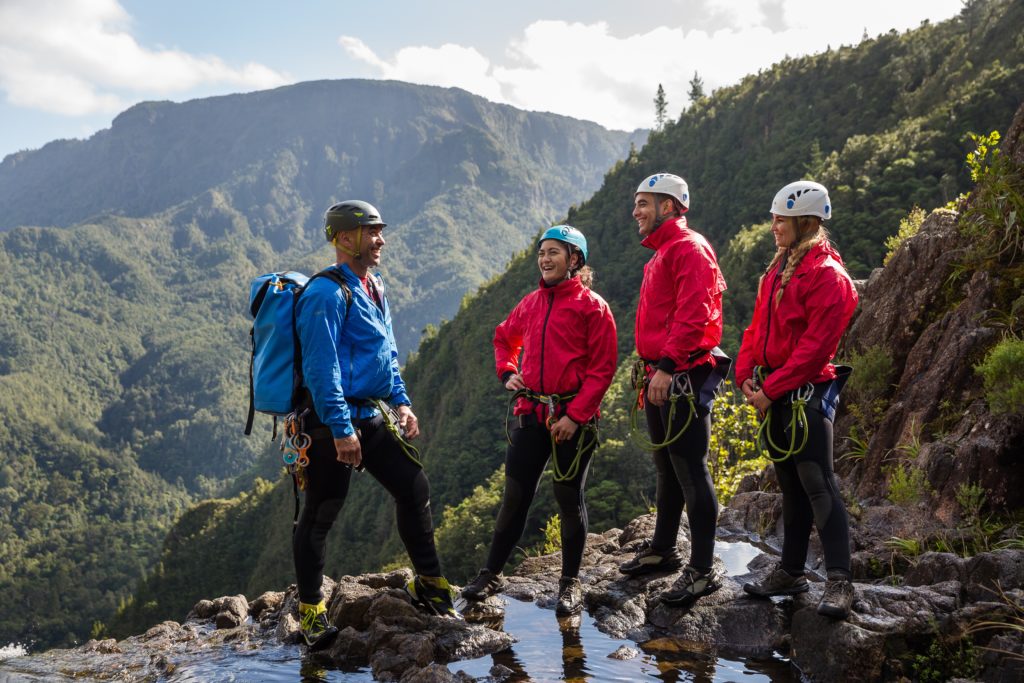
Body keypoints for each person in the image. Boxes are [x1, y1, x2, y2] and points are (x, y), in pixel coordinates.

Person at [292, 200, 458, 649]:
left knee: (413, 487)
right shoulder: (325, 295)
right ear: (345, 238)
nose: (381, 239)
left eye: (381, 231)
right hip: (331, 422)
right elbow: (321, 370)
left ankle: (429, 584)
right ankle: (310, 612)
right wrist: (342, 430)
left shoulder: (374, 286)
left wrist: (401, 402)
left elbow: (386, 353)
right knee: (322, 511)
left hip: (371, 413)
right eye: (372, 232)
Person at [461, 225, 618, 617]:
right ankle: (491, 573)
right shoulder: (531, 303)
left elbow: (602, 370)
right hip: (530, 414)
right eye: (542, 253)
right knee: (515, 497)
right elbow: (503, 338)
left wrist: (575, 416)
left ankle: (570, 583)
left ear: (574, 260)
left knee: (568, 498)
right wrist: (506, 371)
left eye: (554, 253)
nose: (545, 259)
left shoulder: (593, 307)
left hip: (572, 420)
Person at [736, 180, 859, 619]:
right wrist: (744, 374)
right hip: (778, 391)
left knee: (818, 483)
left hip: (806, 393)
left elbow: (815, 351)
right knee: (790, 486)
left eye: (780, 219)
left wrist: (770, 389)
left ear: (804, 222)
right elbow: (756, 331)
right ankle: (790, 570)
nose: (773, 226)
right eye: (773, 218)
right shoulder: (777, 270)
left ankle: (841, 582)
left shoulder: (829, 276)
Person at [618, 173, 729, 608]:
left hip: (679, 374)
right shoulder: (665, 251)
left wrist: (665, 366)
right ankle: (664, 549)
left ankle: (702, 571)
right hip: (661, 375)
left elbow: (694, 314)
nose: (636, 211)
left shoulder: (688, 248)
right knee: (667, 466)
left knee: (691, 470)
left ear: (668, 206)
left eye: (643, 203)